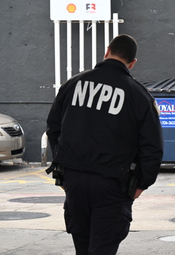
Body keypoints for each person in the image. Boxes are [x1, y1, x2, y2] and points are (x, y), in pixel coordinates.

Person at [46, 34, 163, 254]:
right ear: (133, 62)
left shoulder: (73, 84)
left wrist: (64, 169)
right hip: (113, 185)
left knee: (83, 246)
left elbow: (53, 129)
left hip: (75, 181)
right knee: (103, 247)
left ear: (107, 51)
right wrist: (141, 185)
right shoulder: (138, 94)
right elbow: (152, 147)